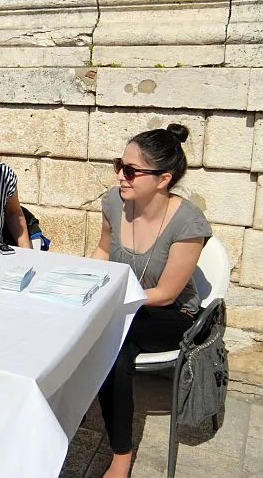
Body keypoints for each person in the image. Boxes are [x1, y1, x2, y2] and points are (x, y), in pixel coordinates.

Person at [91, 124, 211, 478]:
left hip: (172, 314)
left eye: (130, 171)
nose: (120, 176)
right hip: (123, 302)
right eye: (119, 165)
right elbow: (102, 249)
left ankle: (121, 457)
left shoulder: (188, 222)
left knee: (116, 346)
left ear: (163, 179)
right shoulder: (114, 202)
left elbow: (168, 293)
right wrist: (85, 283)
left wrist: (113, 302)